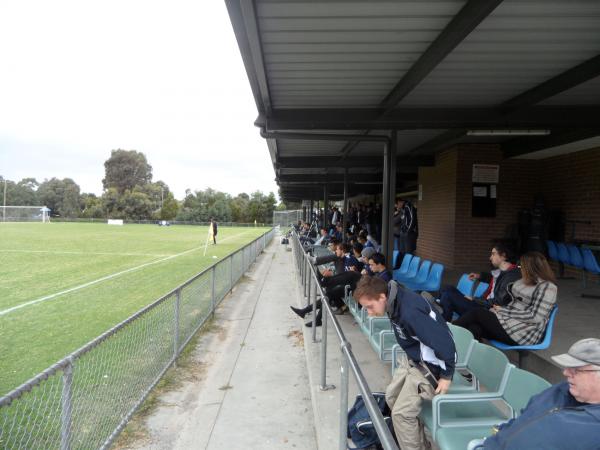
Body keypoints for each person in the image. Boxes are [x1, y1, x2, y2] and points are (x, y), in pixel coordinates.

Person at [354, 276, 456, 450]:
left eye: (369, 307)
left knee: (402, 415)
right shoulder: (395, 300)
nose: (369, 313)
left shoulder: (410, 312)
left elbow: (446, 344)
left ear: (382, 297)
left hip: (432, 368)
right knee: (391, 397)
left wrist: (447, 375)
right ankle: (419, 444)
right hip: (415, 360)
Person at [469, 338, 600, 449]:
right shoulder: (562, 390)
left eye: (576, 370)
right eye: (567, 367)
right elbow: (526, 417)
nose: (565, 373)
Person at [454, 251, 557, 345]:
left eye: (521, 267)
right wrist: (498, 311)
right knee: (474, 328)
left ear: (530, 268)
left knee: (477, 313)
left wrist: (502, 311)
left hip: (523, 332)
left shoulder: (547, 288)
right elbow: (513, 302)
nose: (518, 269)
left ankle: (446, 332)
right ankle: (464, 357)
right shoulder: (525, 281)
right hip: (509, 323)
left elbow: (535, 317)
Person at [438, 240, 521, 322]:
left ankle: (443, 323)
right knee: (446, 288)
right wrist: (480, 276)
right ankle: (439, 310)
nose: (490, 258)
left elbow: (498, 302)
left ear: (503, 255)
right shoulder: (503, 272)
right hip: (481, 303)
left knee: (448, 296)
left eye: (493, 254)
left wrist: (474, 299)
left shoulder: (511, 276)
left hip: (484, 309)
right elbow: (496, 280)